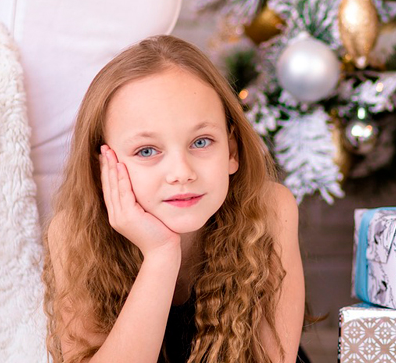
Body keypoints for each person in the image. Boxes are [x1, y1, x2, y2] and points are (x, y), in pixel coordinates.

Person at [42, 35, 305, 362]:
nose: (181, 172)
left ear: (231, 151)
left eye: (201, 142)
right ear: (103, 169)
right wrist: (161, 256)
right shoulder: (73, 234)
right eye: (147, 151)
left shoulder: (270, 210)